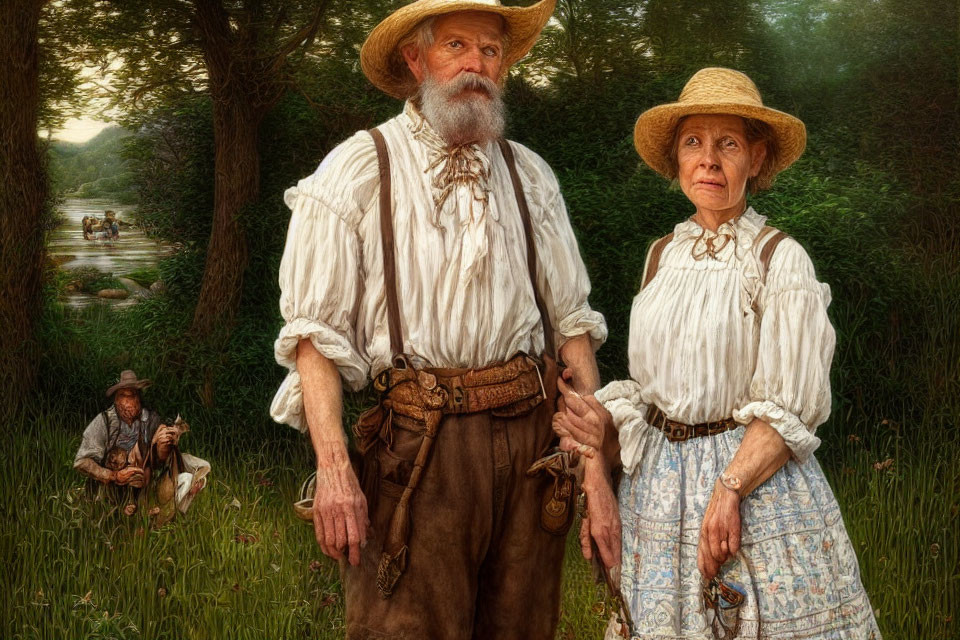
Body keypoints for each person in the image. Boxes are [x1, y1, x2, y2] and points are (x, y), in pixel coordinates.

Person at [270, 0, 607, 637]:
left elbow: (572, 325)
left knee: (523, 628)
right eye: (457, 46)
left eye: (490, 51)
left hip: (532, 446)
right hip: (418, 447)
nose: (475, 65)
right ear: (416, 58)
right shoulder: (358, 168)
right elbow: (313, 337)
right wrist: (335, 469)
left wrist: (592, 460)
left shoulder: (529, 174)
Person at [553, 67, 882, 639]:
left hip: (749, 487)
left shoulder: (780, 259)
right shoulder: (661, 256)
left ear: (755, 160)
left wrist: (728, 491)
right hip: (657, 492)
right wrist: (604, 430)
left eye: (727, 143)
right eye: (693, 143)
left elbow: (789, 404)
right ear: (678, 161)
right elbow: (648, 389)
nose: (708, 160)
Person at [74, 370, 209, 520]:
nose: (128, 401)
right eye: (123, 395)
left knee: (186, 476)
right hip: (109, 493)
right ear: (116, 399)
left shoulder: (150, 420)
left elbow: (159, 461)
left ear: (138, 397)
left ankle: (158, 517)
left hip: (144, 491)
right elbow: (81, 462)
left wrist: (165, 444)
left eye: (132, 395)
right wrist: (114, 476)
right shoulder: (104, 421)